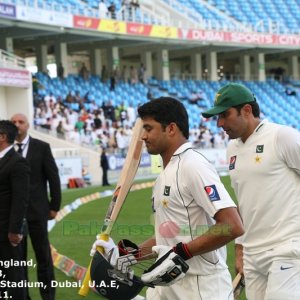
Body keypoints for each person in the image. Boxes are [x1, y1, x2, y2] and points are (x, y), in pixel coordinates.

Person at [92, 97, 244, 299]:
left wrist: (181, 253)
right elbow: (167, 236)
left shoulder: (193, 165)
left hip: (199, 287)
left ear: (171, 128)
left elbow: (232, 225)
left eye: (148, 128)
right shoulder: (164, 175)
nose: (143, 136)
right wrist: (127, 256)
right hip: (165, 286)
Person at [201, 83, 300, 300]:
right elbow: (242, 203)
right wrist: (240, 249)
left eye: (225, 115)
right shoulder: (232, 149)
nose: (220, 123)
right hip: (253, 254)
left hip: (287, 248)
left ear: (246, 110)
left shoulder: (282, 137)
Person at [11, 113, 62, 300]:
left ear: (28, 125)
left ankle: (48, 295)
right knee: (18, 261)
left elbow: (53, 178)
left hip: (38, 212)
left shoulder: (42, 147)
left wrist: (54, 205)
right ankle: (23, 296)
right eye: (13, 122)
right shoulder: (5, 150)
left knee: (43, 258)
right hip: (13, 217)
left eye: (20, 122)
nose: (17, 125)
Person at [0, 120, 30, 300]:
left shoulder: (18, 162)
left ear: (2, 137)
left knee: (14, 276)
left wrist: (14, 230)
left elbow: (20, 200)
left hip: (7, 232)